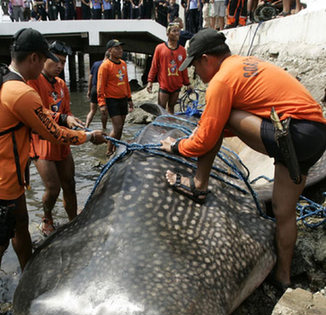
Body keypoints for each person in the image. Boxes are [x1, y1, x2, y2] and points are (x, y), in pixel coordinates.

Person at [160, 28, 326, 290]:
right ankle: (283, 278)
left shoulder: (221, 81)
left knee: (215, 121)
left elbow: (206, 138)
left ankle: (198, 184)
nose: (196, 76)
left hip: (292, 133)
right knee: (285, 211)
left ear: (206, 59)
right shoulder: (246, 64)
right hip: (314, 134)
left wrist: (177, 146)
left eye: (195, 67)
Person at [0, 28, 106, 271]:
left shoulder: (7, 80)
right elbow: (53, 133)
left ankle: (27, 271)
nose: (57, 65)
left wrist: (62, 117)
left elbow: (41, 115)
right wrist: (89, 137)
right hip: (5, 178)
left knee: (19, 224)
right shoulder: (22, 91)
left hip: (11, 174)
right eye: (49, 59)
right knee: (5, 236)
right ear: (35, 58)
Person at [27, 40, 82, 237]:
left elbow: (67, 111)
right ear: (43, 60)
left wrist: (74, 123)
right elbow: (38, 113)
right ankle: (47, 218)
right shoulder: (32, 82)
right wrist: (65, 118)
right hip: (42, 142)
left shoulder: (61, 84)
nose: (60, 66)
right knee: (53, 187)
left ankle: (73, 219)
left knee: (70, 183)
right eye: (57, 61)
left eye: (64, 63)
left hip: (61, 139)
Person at [97, 39, 134, 156]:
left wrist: (129, 99)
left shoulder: (123, 64)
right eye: (117, 48)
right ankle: (108, 150)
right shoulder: (105, 66)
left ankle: (115, 148)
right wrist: (102, 104)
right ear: (110, 50)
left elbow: (126, 83)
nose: (120, 50)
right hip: (112, 100)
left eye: (121, 48)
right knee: (117, 127)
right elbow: (100, 86)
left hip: (123, 99)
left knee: (121, 127)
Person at [147, 23, 192, 114]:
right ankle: (160, 127)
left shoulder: (182, 50)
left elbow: (184, 69)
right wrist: (150, 81)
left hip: (176, 85)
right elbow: (154, 66)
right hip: (164, 85)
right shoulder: (160, 48)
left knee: (171, 108)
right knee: (161, 109)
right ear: (168, 34)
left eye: (178, 31)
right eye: (174, 31)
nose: (177, 33)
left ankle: (170, 127)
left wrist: (187, 83)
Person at [86, 54, 108, 129]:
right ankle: (104, 128)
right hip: (103, 90)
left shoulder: (95, 64)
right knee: (104, 111)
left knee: (92, 111)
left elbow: (90, 77)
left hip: (94, 89)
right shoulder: (108, 65)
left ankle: (86, 126)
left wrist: (89, 90)